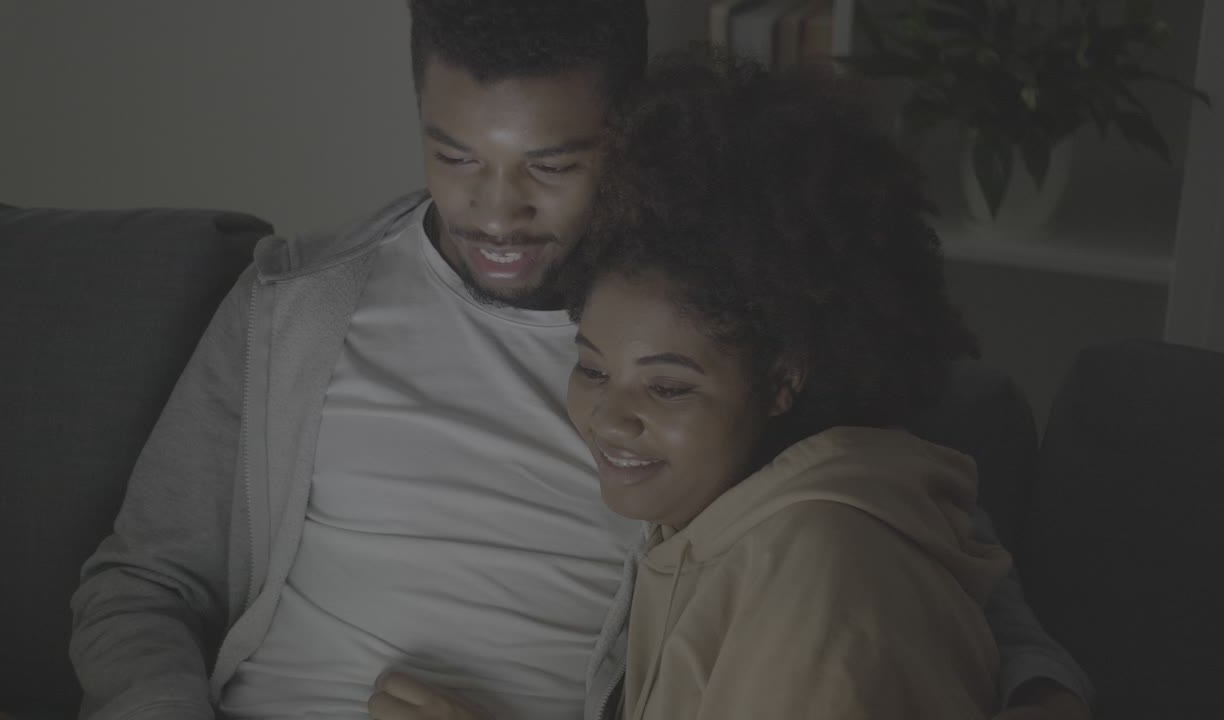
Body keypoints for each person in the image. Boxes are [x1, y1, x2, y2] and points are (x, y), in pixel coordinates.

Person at [69, 2, 1091, 719]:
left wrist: (1038, 686)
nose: (494, 212)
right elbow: (142, 579)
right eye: (453, 156)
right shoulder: (294, 303)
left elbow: (895, 551)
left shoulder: (709, 330)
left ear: (630, 127)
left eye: (550, 167)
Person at [558, 54, 1008, 719]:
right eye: (593, 370)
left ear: (780, 380)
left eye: (668, 388)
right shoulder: (705, 519)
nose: (609, 418)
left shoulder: (819, 579)